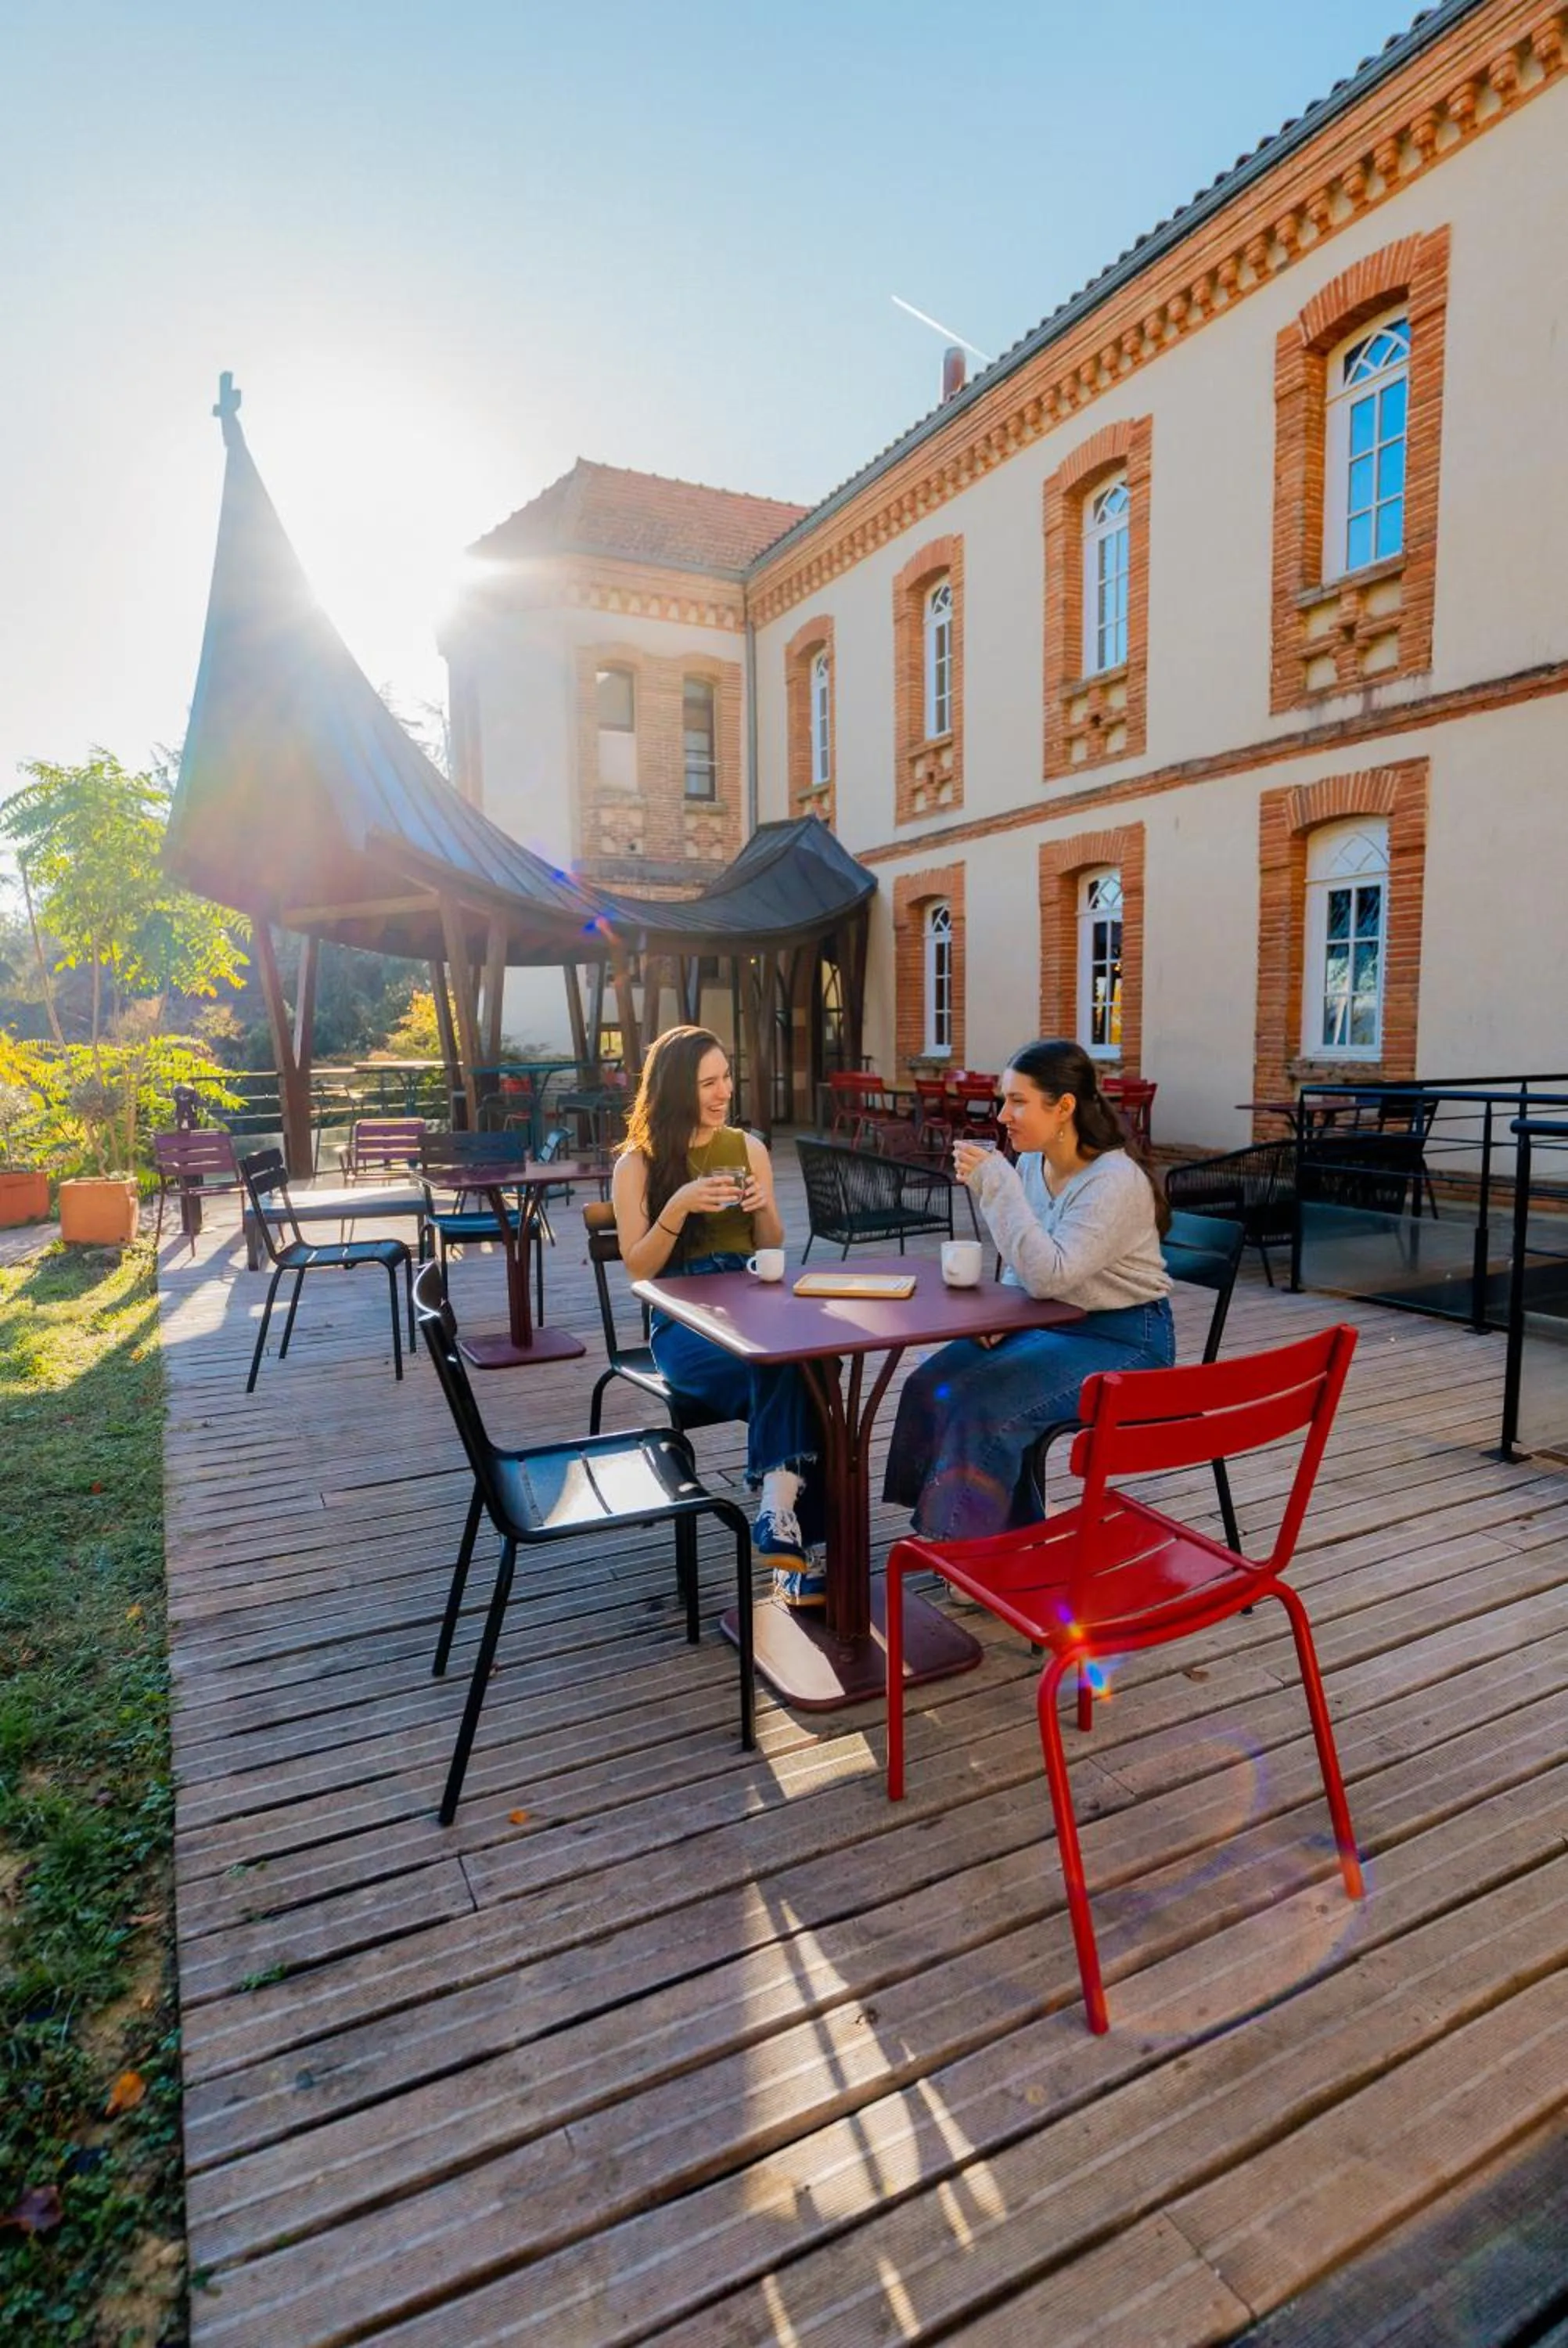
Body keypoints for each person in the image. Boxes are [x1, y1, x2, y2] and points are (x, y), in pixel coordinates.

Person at [883, 1037, 1174, 1540]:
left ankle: (971, 1549)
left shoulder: (1113, 1181)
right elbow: (1026, 1263)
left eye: (1017, 1101)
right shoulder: (1031, 1164)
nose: (1002, 1115)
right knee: (930, 1384)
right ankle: (1001, 1534)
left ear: (1063, 1107)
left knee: (984, 1402)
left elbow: (1051, 1273)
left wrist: (996, 1186)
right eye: (1004, 1100)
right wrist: (1005, 1318)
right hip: (1049, 1320)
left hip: (1127, 1339)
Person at [612, 1025, 827, 1607]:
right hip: (683, 1317)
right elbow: (639, 1271)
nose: (723, 1091)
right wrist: (678, 1206)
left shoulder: (748, 1147)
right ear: (677, 1088)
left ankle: (779, 1518)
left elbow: (776, 1246)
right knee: (794, 1374)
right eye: (708, 1082)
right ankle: (792, 1549)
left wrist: (761, 1209)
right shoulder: (638, 1164)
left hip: (753, 1296)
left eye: (726, 1077)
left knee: (811, 1367)